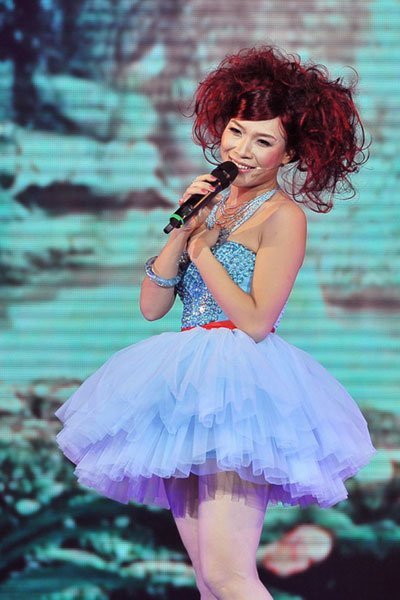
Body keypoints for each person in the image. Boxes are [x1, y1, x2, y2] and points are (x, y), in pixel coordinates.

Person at [54, 45, 377, 600]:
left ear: (290, 152)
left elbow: (256, 320)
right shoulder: (209, 205)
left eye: (263, 141)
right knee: (208, 581)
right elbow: (152, 307)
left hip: (240, 389)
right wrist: (184, 232)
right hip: (184, 388)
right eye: (236, 132)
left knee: (231, 575)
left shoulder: (283, 217)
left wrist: (203, 250)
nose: (242, 151)